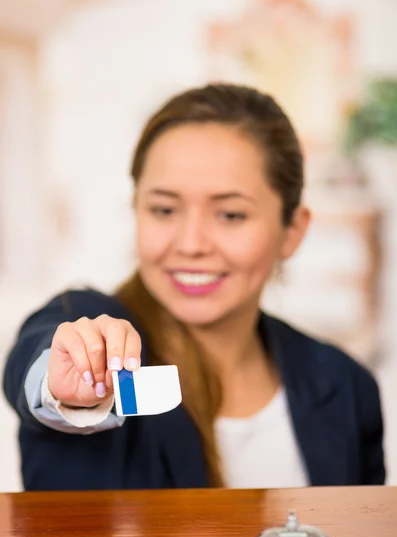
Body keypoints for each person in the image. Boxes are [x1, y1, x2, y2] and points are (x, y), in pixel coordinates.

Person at [3, 84, 385, 491]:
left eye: (231, 215)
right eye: (164, 209)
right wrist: (65, 384)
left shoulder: (346, 385)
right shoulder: (87, 327)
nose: (190, 244)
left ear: (292, 230)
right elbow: (37, 365)